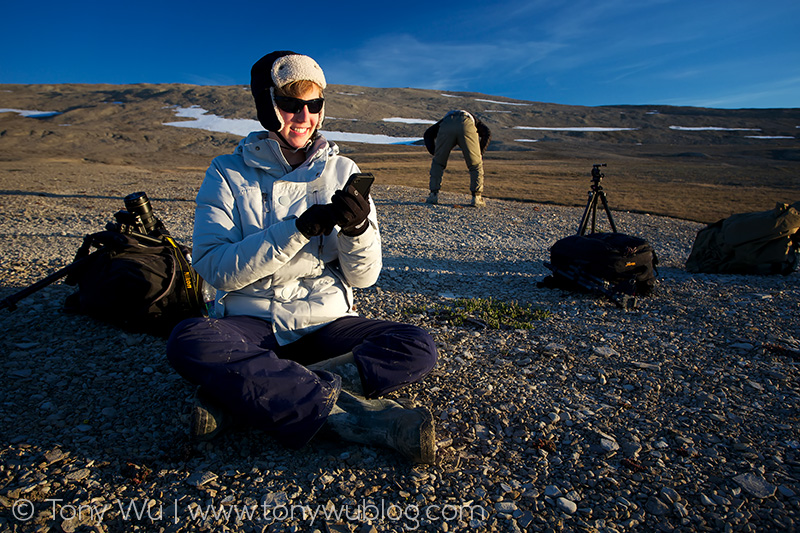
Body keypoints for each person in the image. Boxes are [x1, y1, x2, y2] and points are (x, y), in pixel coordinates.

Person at [166, 51, 438, 464]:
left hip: (325, 323)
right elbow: (214, 267)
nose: (304, 116)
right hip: (253, 323)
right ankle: (360, 419)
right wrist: (297, 230)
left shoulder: (343, 169)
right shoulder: (226, 172)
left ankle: (249, 394)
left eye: (314, 105)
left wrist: (357, 230)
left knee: (414, 345)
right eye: (290, 104)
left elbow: (363, 279)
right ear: (266, 106)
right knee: (189, 339)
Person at [423, 110, 491, 207]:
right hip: (467, 124)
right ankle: (476, 198)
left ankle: (433, 195)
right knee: (475, 165)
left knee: (438, 163)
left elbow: (428, 134)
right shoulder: (476, 122)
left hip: (447, 125)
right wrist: (479, 153)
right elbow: (487, 133)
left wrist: (435, 153)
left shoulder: (445, 120)